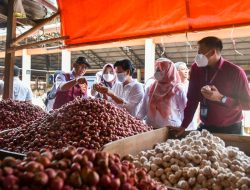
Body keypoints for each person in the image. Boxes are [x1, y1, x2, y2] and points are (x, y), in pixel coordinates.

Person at [173, 36, 250, 136]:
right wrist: (184, 125)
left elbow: (247, 104)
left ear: (213, 52)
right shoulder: (196, 68)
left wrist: (221, 98)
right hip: (206, 127)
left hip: (231, 128)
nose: (197, 57)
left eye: (200, 53)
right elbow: (192, 99)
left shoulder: (235, 72)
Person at [136, 58, 186, 128]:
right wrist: (135, 122)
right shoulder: (150, 88)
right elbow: (143, 109)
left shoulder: (177, 90)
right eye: (156, 70)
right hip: (151, 128)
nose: (156, 72)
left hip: (170, 129)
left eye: (159, 70)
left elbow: (185, 111)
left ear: (169, 71)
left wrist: (184, 128)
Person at [175, 62, 199, 130]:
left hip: (192, 117)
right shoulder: (175, 87)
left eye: (186, 69)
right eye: (183, 69)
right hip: (179, 119)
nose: (186, 71)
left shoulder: (192, 85)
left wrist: (198, 118)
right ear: (176, 72)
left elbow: (197, 102)